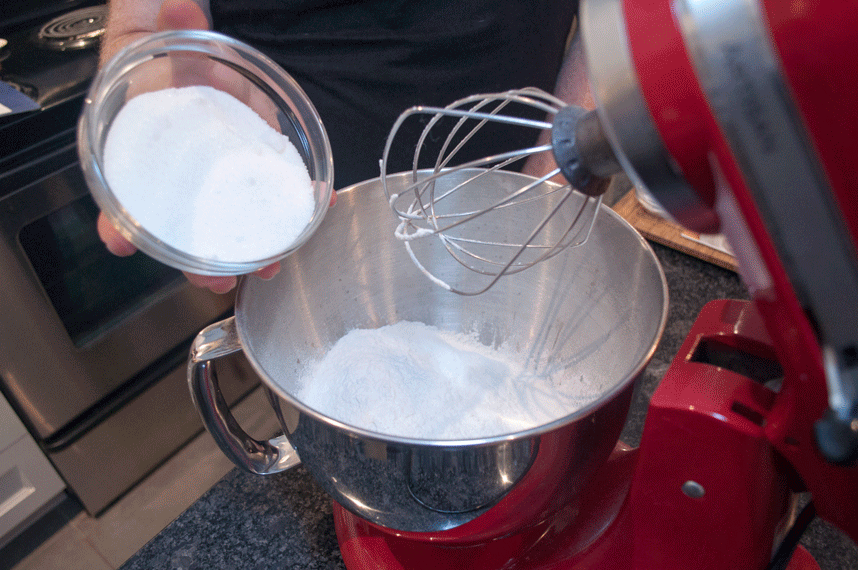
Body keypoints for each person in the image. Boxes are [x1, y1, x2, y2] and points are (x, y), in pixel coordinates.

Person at [98, 0, 594, 293]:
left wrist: (549, 192)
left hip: (527, 204)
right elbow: (144, 22)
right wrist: (155, 80)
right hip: (298, 243)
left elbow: (620, 19)